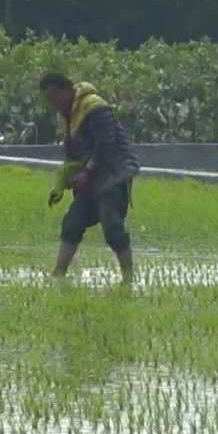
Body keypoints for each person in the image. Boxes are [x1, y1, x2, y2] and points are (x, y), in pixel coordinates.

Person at [40, 72, 140, 283]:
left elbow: (106, 144)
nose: (53, 104)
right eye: (49, 100)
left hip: (113, 173)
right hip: (91, 177)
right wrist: (61, 183)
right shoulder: (69, 114)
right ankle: (58, 274)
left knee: (112, 227)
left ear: (67, 90)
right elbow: (72, 154)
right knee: (73, 222)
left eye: (55, 97)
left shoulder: (95, 107)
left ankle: (129, 278)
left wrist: (87, 171)